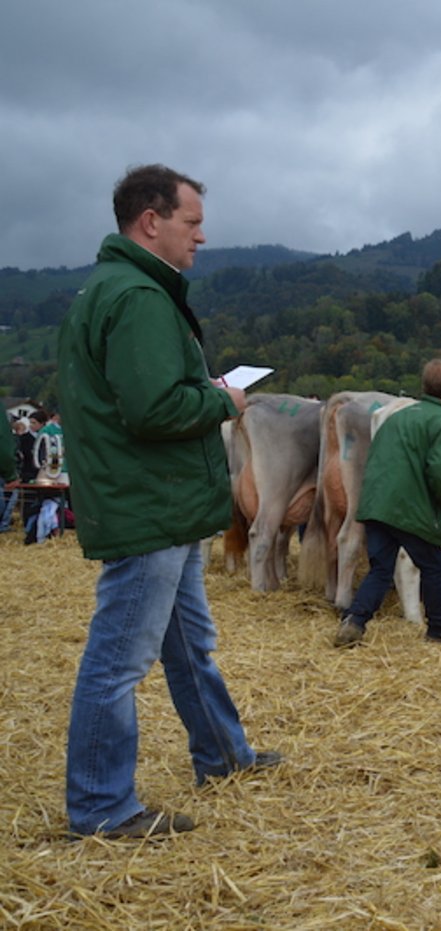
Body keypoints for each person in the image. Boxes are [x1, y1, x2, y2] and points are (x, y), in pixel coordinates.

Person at [58, 164, 281, 839]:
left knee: (190, 646)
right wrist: (223, 398)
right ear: (150, 221)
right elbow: (153, 408)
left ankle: (222, 752)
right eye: (191, 222)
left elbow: (145, 391)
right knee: (118, 659)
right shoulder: (139, 298)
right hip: (151, 503)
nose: (202, 236)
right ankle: (100, 805)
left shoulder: (119, 289)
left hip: (164, 502)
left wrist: (197, 384)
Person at [335, 359, 441, 647]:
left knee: (381, 569)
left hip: (376, 504)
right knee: (434, 566)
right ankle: (439, 631)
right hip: (409, 508)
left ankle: (355, 620)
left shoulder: (397, 417)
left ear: (423, 386)